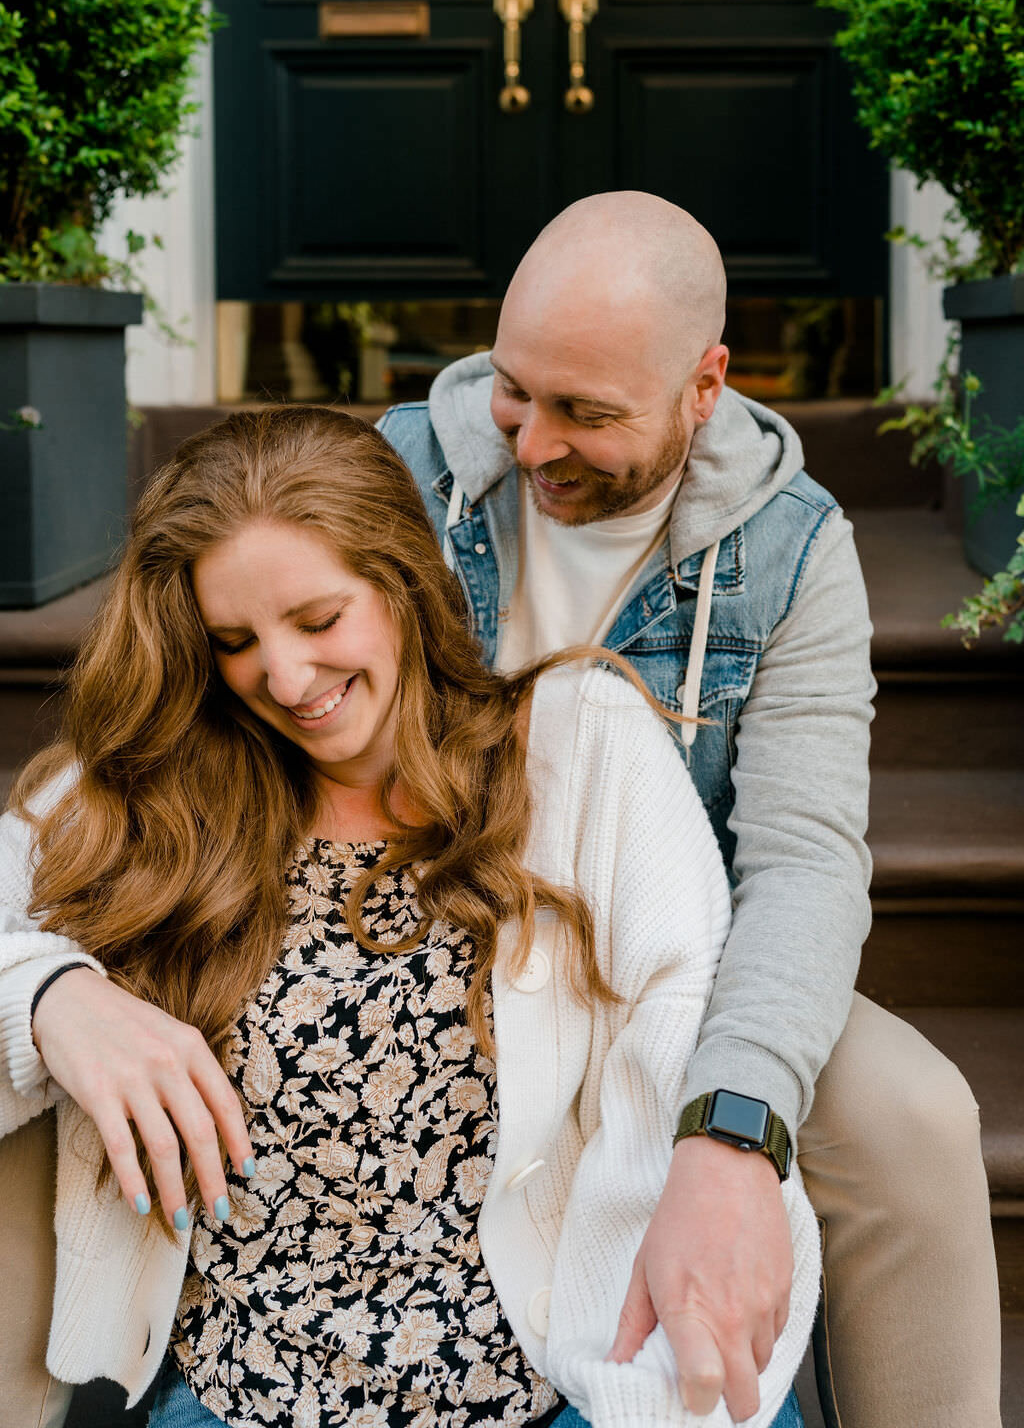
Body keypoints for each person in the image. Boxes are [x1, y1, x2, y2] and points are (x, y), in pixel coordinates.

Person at [0, 407, 817, 1428]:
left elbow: (678, 1033)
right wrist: (51, 998)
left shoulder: (574, 750)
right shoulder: (145, 796)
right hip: (248, 1394)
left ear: (401, 583)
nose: (286, 680)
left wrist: (639, 1396)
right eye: (236, 641)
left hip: (563, 1385)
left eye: (318, 619)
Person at [377, 191, 1003, 1428]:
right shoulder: (393, 475)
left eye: (587, 413)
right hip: (418, 921)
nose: (533, 443)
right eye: (516, 389)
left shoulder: (791, 551)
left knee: (918, 1120)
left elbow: (805, 860)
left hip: (677, 961)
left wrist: (731, 1129)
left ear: (705, 385)